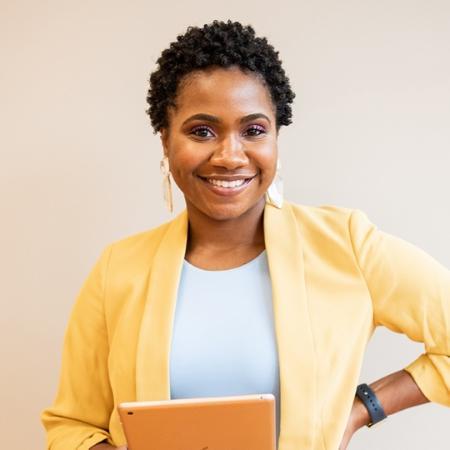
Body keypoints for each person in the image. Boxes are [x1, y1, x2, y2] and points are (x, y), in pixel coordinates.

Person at [41, 20, 450, 450]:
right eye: (202, 131)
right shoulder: (118, 270)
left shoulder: (345, 244)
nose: (229, 155)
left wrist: (363, 407)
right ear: (165, 140)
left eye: (253, 130)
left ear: (276, 136)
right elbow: (72, 425)